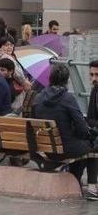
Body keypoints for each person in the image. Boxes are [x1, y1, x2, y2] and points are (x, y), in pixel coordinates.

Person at [32, 64, 98, 200]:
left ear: (50, 79)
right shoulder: (68, 99)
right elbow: (82, 128)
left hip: (44, 149)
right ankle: (91, 187)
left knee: (81, 145)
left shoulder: (39, 97)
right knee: (92, 146)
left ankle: (75, 182)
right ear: (67, 80)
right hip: (65, 149)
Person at [87, 60, 98, 129]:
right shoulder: (94, 90)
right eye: (92, 74)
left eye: (97, 75)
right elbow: (89, 118)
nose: (94, 78)